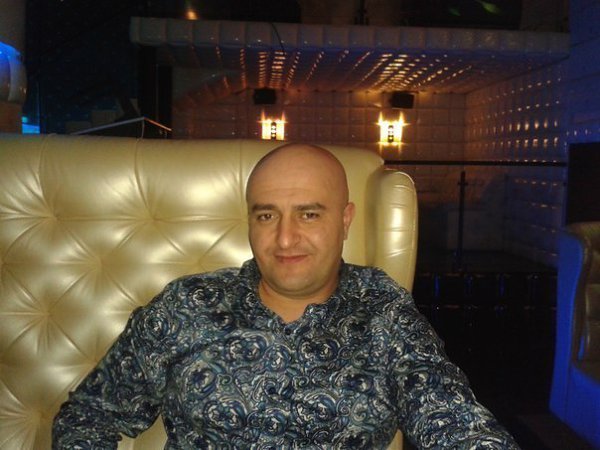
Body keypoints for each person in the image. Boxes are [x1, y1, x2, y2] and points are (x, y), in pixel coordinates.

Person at [53, 143, 519, 449]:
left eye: (309, 214)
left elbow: (454, 420)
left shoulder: (383, 311)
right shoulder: (187, 306)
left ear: (345, 220)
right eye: (266, 216)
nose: (285, 239)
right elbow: (88, 417)